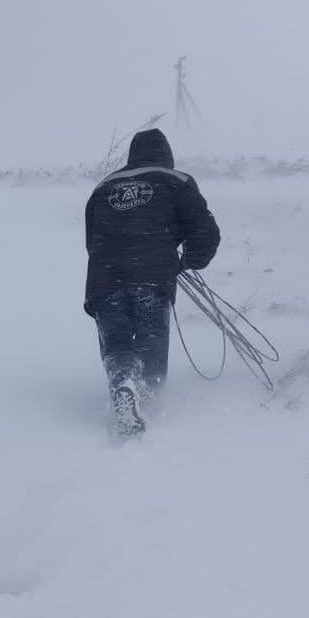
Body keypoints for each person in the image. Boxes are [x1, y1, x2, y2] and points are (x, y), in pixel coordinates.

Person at [84, 128, 220, 435]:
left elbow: (92, 240)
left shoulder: (104, 186)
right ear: (166, 155)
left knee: (117, 344)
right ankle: (143, 398)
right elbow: (205, 232)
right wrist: (187, 261)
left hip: (104, 281)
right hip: (150, 280)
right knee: (150, 346)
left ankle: (123, 386)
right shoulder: (176, 181)